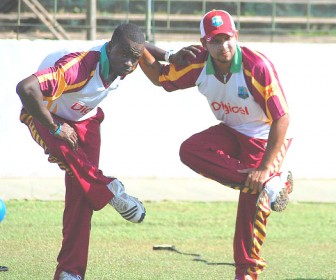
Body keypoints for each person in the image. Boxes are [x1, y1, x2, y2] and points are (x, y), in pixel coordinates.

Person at [140, 10, 293, 280]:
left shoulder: (257, 66)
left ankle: (246, 273)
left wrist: (265, 166)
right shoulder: (198, 64)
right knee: (190, 150)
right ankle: (270, 183)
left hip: (263, 135)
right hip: (231, 130)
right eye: (214, 41)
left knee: (251, 206)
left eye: (226, 39)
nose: (223, 47)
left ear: (236, 35)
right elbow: (159, 78)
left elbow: (282, 118)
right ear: (203, 44)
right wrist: (140, 46)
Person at [16, 23, 147, 280]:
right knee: (67, 153)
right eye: (125, 56)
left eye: (136, 58)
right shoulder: (79, 67)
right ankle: (108, 189)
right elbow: (26, 89)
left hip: (86, 119)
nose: (131, 64)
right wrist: (55, 128)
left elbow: (139, 46)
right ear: (110, 48)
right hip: (46, 113)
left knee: (82, 194)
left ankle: (70, 272)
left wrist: (166, 56)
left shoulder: (127, 57)